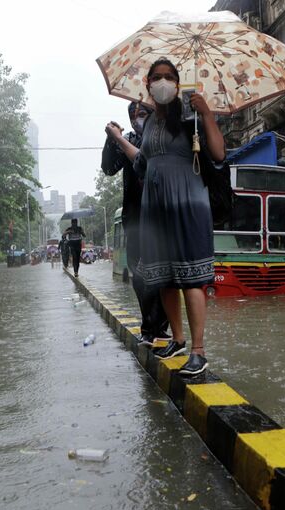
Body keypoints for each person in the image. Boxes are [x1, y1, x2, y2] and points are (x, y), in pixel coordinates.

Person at [105, 58, 225, 376]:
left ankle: (198, 351)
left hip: (187, 201)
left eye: (168, 77)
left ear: (177, 82)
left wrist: (207, 114)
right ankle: (178, 338)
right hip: (155, 205)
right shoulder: (149, 124)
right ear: (148, 85)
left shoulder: (189, 116)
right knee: (164, 278)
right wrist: (119, 140)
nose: (162, 82)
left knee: (191, 278)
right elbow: (143, 161)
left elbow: (218, 153)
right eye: (156, 77)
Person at [102, 101, 170, 348]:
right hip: (134, 218)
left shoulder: (163, 137)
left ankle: (161, 328)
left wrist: (120, 139)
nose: (136, 119)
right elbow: (108, 168)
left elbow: (148, 164)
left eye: (142, 114)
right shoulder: (126, 139)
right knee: (139, 275)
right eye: (133, 115)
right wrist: (112, 139)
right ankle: (149, 327)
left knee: (161, 274)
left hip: (160, 218)